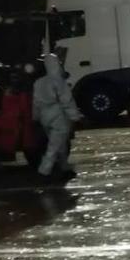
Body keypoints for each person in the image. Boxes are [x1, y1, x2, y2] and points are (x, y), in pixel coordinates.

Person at [32, 52, 80, 182]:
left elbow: (36, 102)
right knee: (54, 146)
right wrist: (75, 117)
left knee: (60, 144)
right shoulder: (58, 81)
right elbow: (67, 100)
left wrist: (36, 117)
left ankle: (65, 169)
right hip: (58, 115)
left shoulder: (39, 82)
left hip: (44, 116)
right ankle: (44, 171)